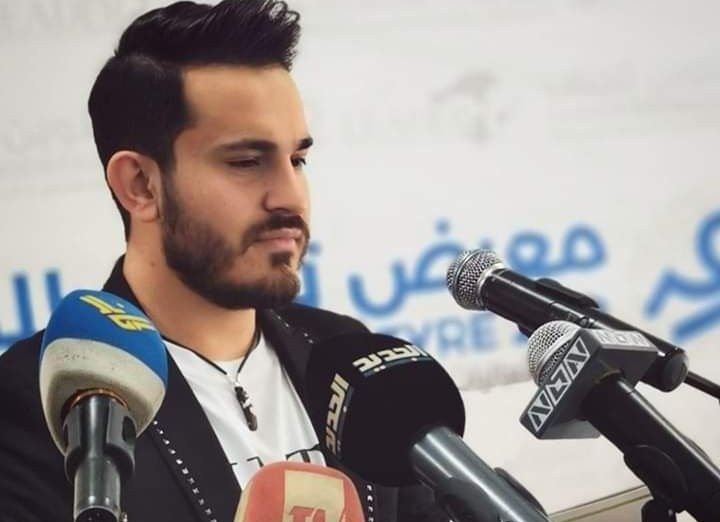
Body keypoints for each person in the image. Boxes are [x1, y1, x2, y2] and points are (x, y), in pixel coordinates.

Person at [0, 1, 450, 521]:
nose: (290, 196)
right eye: (246, 162)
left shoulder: (344, 357)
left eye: (298, 160)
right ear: (140, 185)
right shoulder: (34, 405)